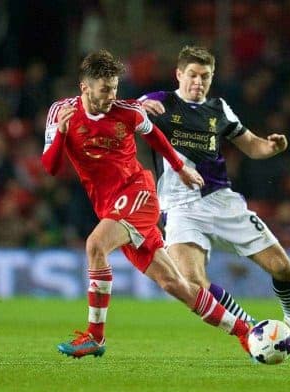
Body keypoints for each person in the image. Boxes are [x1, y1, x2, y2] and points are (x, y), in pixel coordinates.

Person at [41, 49, 251, 359]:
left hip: (138, 193)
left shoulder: (128, 112)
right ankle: (244, 331)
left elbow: (156, 138)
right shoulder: (60, 112)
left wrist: (180, 170)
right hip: (109, 206)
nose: (111, 96)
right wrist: (60, 133)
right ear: (84, 87)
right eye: (104, 90)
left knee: (95, 245)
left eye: (114, 88)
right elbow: (50, 167)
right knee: (174, 283)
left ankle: (95, 337)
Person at [139, 45, 290, 348]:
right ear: (179, 74)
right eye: (192, 75)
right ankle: (252, 330)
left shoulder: (218, 108)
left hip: (221, 201)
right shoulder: (159, 102)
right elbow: (122, 111)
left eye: (205, 76)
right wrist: (134, 108)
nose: (198, 82)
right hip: (179, 209)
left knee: (282, 268)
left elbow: (252, 145)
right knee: (192, 284)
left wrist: (272, 148)